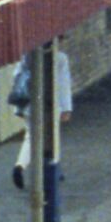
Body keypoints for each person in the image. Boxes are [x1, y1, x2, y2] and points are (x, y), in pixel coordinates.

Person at [10, 48, 75, 190]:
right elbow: (63, 84)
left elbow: (18, 80)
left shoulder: (27, 56)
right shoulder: (60, 58)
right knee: (53, 136)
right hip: (51, 105)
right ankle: (54, 167)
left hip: (28, 105)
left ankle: (20, 166)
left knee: (30, 136)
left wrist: (17, 108)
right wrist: (66, 108)